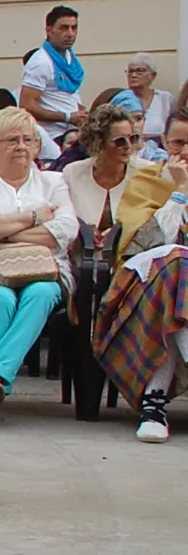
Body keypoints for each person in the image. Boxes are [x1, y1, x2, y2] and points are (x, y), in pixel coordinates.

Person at [0, 108, 78, 425]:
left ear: (37, 146)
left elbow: (65, 230)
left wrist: (4, 232)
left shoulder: (53, 182)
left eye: (28, 139)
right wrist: (36, 219)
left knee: (40, 292)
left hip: (47, 270)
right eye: (11, 140)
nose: (21, 146)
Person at [92, 109, 188, 442]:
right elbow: (146, 243)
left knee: (178, 275)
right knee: (175, 264)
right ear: (164, 142)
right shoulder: (146, 181)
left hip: (173, 292)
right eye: (178, 143)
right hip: (146, 286)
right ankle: (153, 403)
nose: (185, 152)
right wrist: (180, 192)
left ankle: (154, 404)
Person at [61, 101, 143, 251]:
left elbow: (152, 222)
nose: (128, 146)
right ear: (99, 142)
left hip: (131, 255)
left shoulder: (146, 173)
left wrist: (121, 233)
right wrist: (82, 230)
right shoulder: (72, 173)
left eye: (133, 138)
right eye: (120, 141)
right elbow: (63, 218)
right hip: (81, 255)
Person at [20, 5, 85, 150]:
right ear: (49, 30)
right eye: (64, 28)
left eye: (74, 28)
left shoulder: (70, 57)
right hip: (52, 138)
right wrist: (68, 117)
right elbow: (26, 106)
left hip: (73, 132)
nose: (70, 33)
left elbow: (69, 96)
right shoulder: (40, 62)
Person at [124, 56, 171, 155]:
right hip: (129, 150)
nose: (133, 75)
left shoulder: (165, 98)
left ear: (153, 75)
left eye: (140, 71)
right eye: (130, 72)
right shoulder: (123, 99)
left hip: (162, 151)